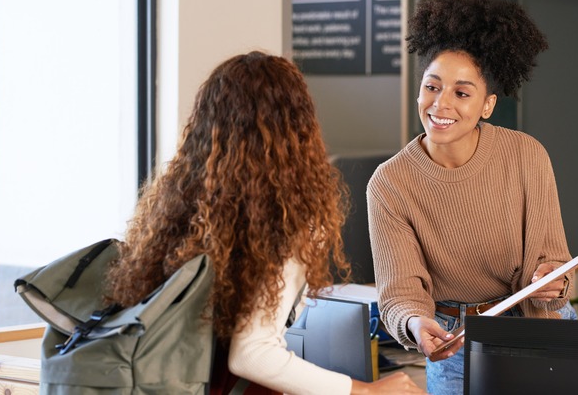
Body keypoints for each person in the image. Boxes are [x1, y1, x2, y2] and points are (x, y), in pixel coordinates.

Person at [106, 51, 426, 395]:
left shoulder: (182, 206)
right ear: (298, 126)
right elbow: (252, 355)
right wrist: (365, 390)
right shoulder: (285, 219)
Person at [367, 0, 577, 394]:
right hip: (454, 339)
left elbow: (553, 263)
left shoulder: (526, 156)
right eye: (431, 86)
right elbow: (400, 291)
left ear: (487, 105)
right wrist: (415, 322)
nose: (440, 104)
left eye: (461, 93)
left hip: (536, 327)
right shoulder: (390, 183)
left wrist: (554, 280)